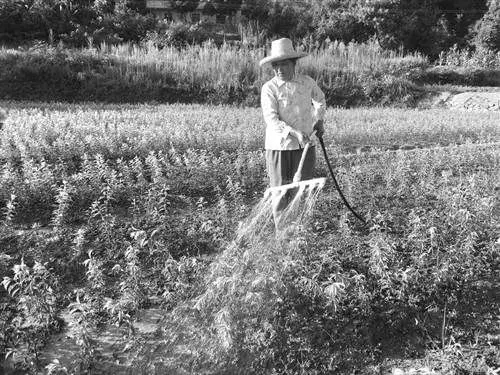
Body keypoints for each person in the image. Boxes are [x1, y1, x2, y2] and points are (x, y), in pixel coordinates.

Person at [259, 38, 326, 231]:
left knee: (303, 189)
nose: (280, 68)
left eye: (284, 64)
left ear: (293, 64)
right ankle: (282, 234)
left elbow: (320, 100)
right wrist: (294, 133)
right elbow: (271, 119)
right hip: (279, 146)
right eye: (276, 65)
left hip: (305, 146)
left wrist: (318, 120)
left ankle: (300, 232)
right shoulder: (269, 88)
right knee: (280, 190)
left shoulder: (306, 83)